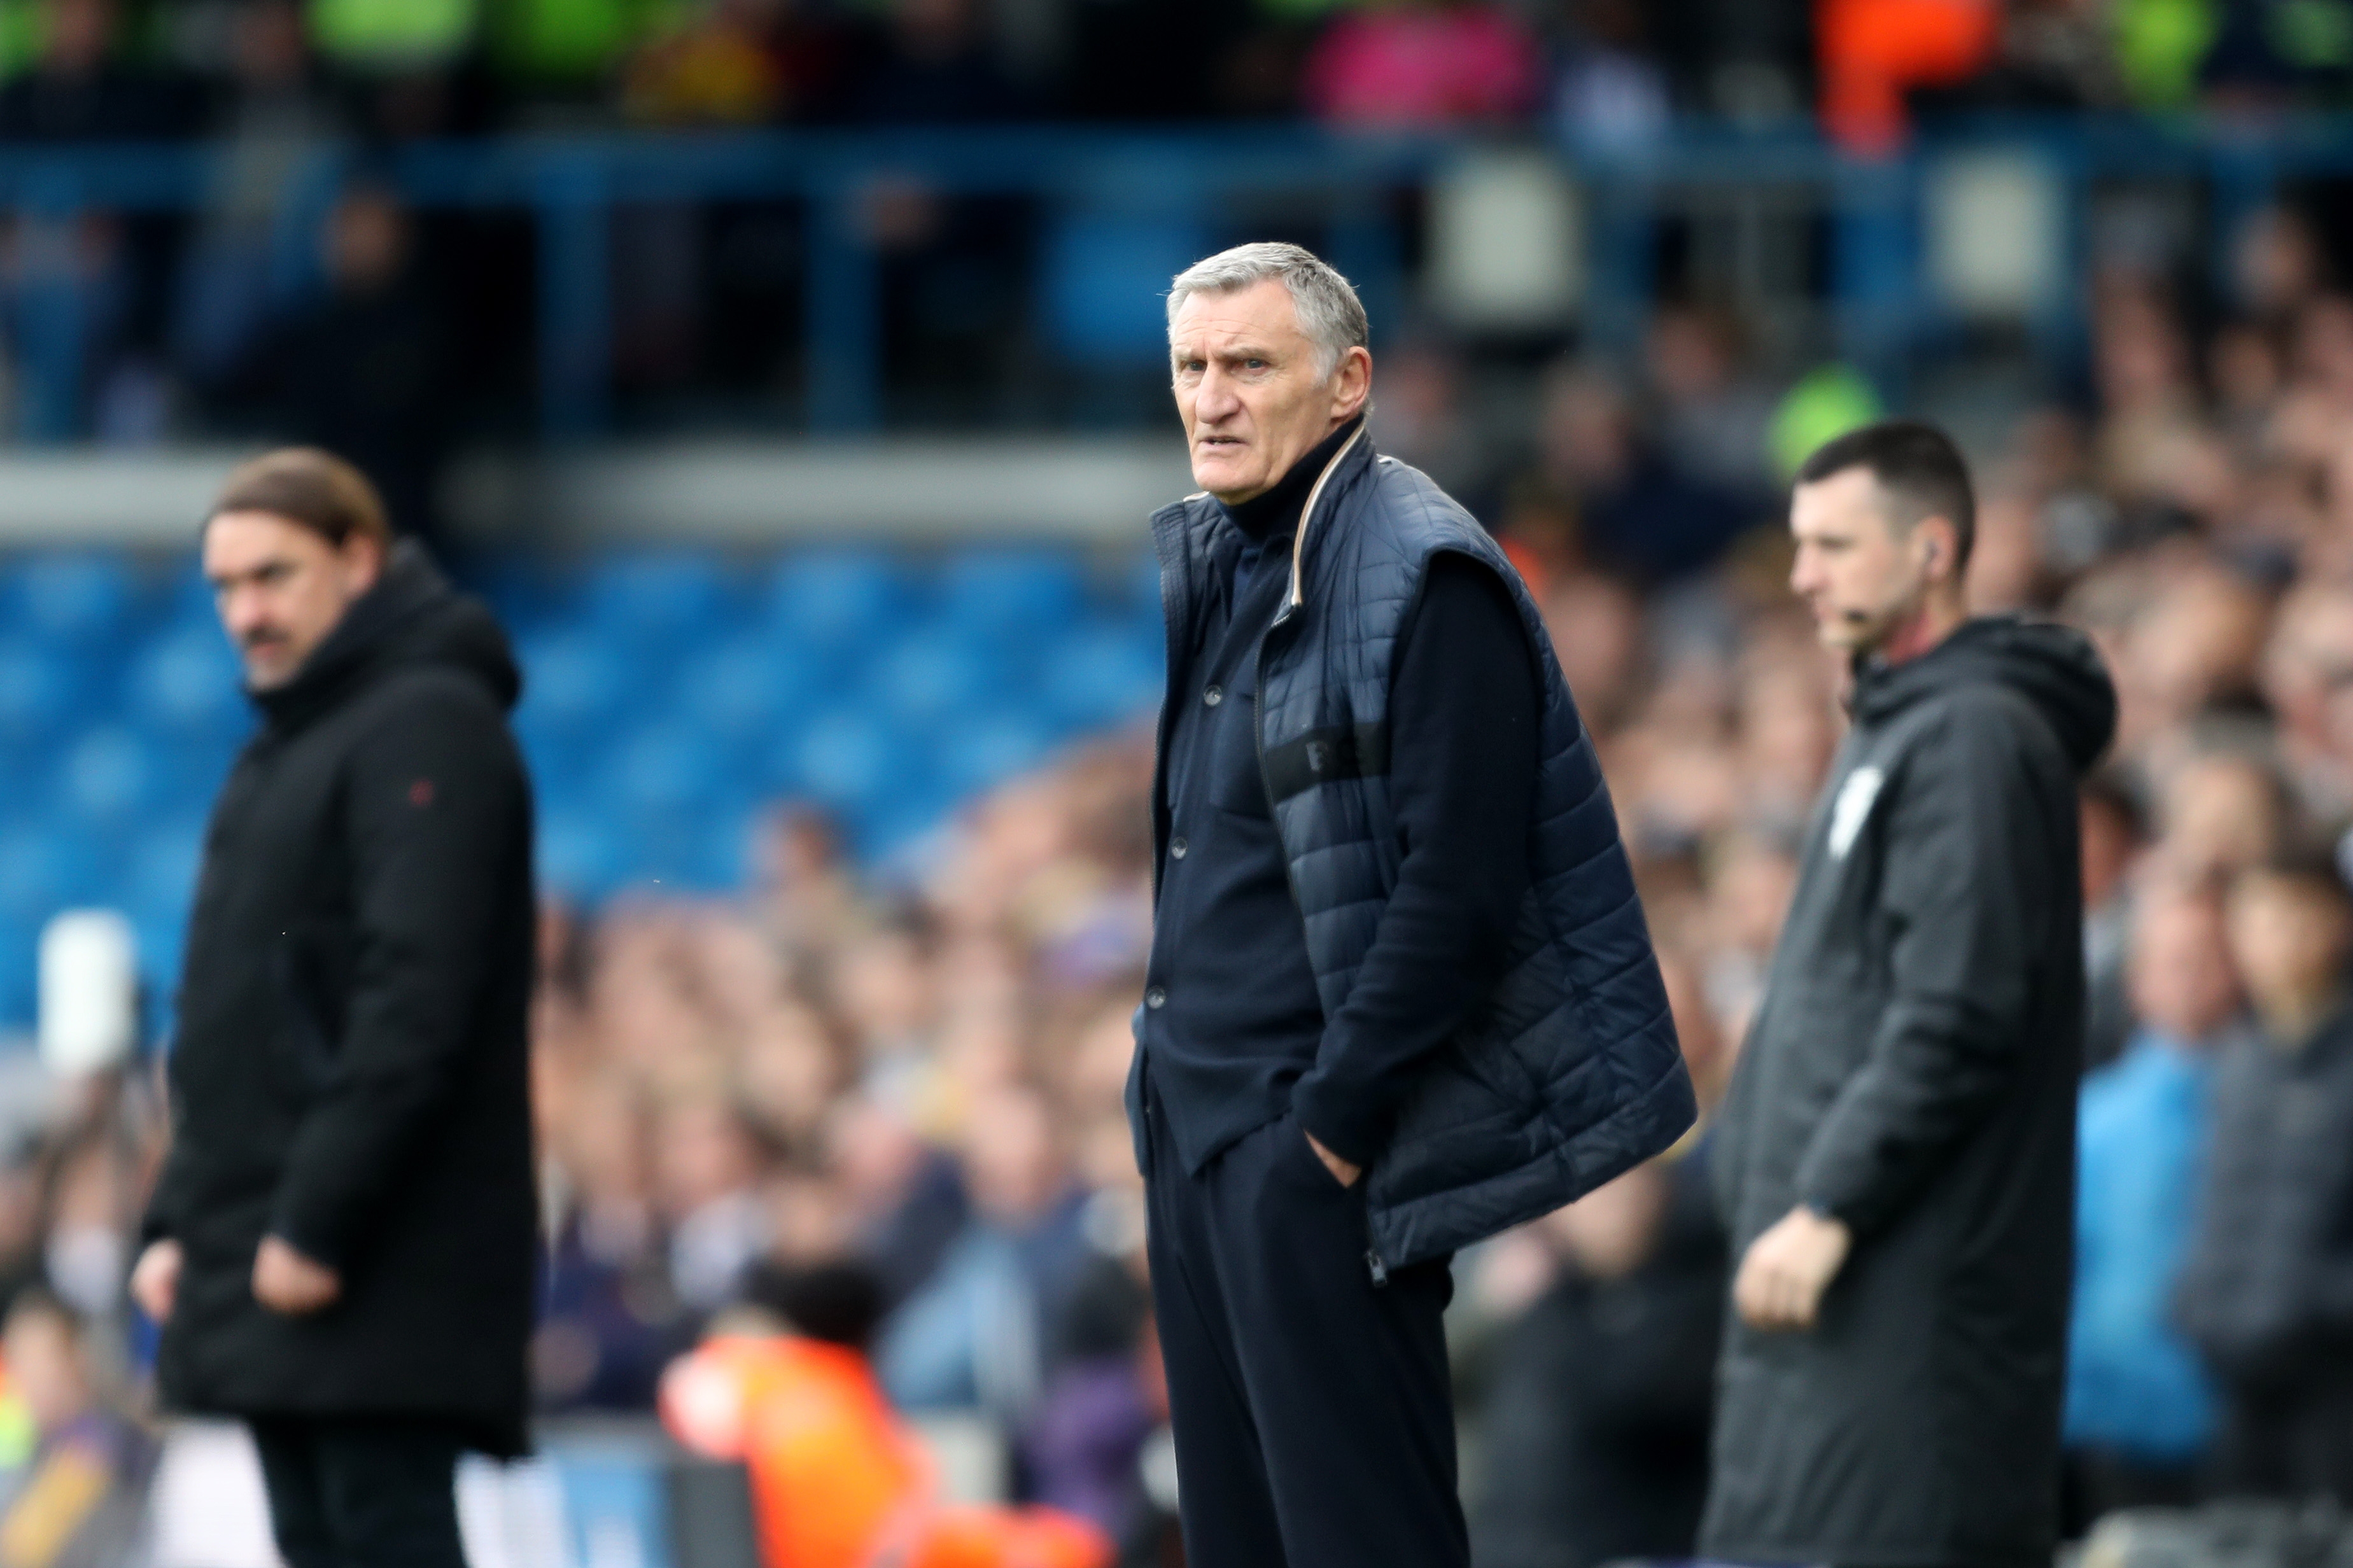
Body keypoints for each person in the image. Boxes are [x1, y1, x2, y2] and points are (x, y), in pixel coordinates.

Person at [1131, 241, 1693, 1567]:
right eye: (1191, 368)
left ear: (1347, 385)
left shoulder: (1427, 571)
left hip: (1306, 1152)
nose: (1210, 397)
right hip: (1195, 1144)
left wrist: (1329, 1127)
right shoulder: (1222, 558)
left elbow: (1458, 894)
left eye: (1248, 365)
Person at [1703, 420, 2119, 1568]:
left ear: (1931, 548)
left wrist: (1828, 1199)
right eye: (1798, 544)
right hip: (1831, 1311)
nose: (1802, 575)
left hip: (1909, 1311)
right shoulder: (1897, 727)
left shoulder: (1975, 737)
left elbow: (1958, 1008)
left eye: (1834, 544)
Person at [130, 448, 538, 1568]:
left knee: (382, 1533)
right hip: (276, 1244)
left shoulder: (424, 726)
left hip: (373, 1251)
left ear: (358, 559)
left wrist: (318, 1218)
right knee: (321, 1539)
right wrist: (179, 1216)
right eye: (224, 587)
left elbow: (416, 998)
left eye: (274, 575)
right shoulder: (297, 739)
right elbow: (239, 1012)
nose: (246, 611)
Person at [2175, 857, 2353, 1502]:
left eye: (2297, 914)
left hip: (2332, 1371)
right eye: (2259, 917)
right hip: (2230, 1369)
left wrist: (2314, 1305)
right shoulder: (2235, 1057)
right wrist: (2195, 1303)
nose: (2279, 937)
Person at [2065, 881, 2242, 1524]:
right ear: (2137, 980)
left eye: (2209, 954)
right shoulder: (2091, 1118)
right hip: (2108, 1427)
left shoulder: (2268, 1108)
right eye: (2172, 959)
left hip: (2239, 1425)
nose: (2192, 976)